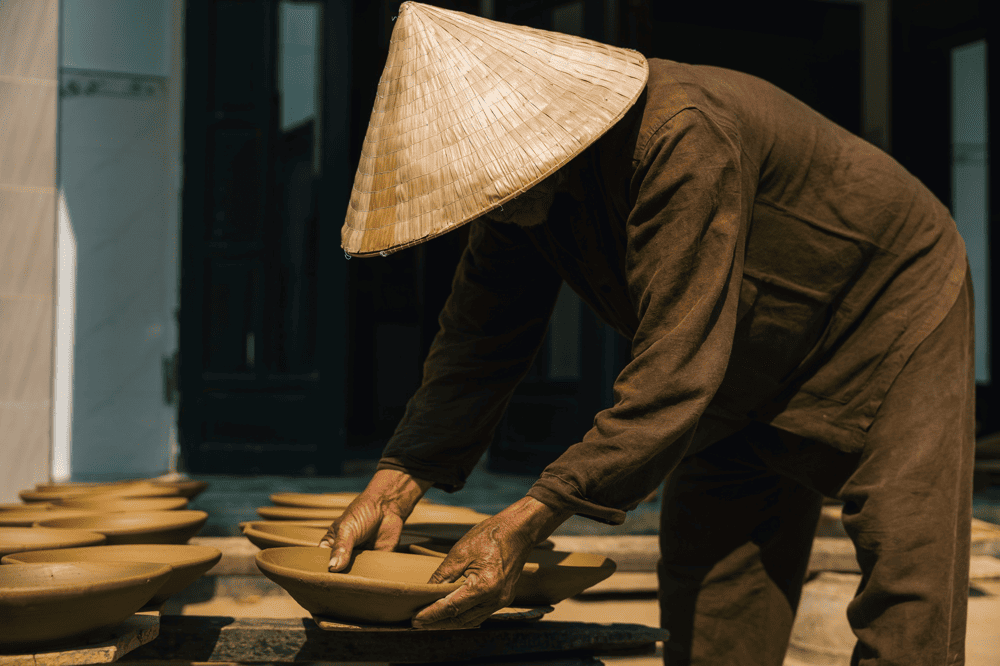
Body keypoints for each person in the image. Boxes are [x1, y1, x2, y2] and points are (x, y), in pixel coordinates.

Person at [323, 3, 975, 665]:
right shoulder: (515, 196)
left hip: (886, 308)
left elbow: (673, 375)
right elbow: (477, 343)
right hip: (735, 342)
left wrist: (529, 517)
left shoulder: (680, 136)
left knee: (907, 574)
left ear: (538, 131)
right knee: (714, 585)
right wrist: (395, 482)